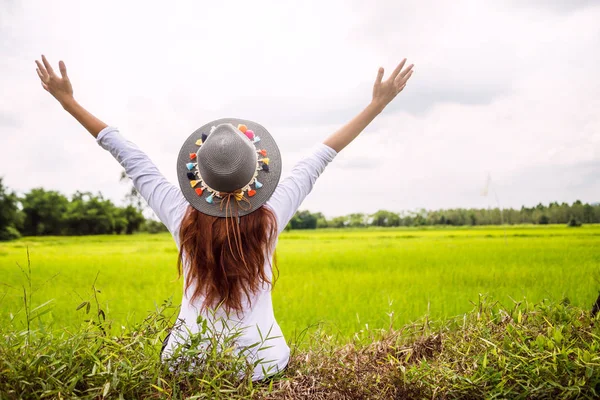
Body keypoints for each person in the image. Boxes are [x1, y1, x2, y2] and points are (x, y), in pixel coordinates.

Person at [34, 54, 414, 381]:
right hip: (263, 366)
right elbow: (321, 156)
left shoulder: (179, 211)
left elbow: (129, 155)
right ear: (257, 172)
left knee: (172, 341)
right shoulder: (271, 214)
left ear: (200, 174)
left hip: (188, 365)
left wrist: (68, 102)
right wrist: (376, 105)